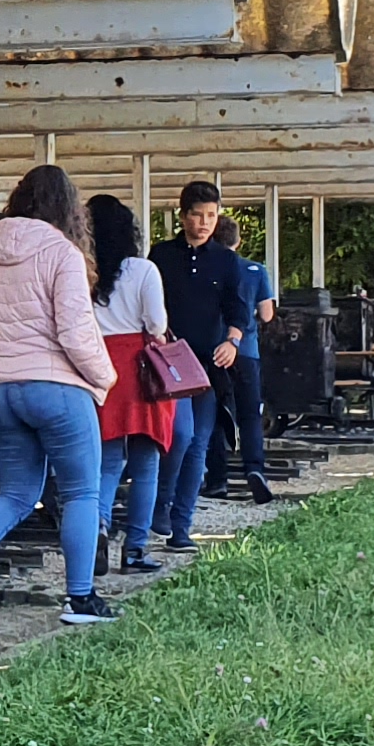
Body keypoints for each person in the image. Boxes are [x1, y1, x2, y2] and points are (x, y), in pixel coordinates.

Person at [0, 164, 116, 627]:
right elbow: (75, 333)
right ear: (68, 208)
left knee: (15, 493)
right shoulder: (62, 252)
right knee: (81, 492)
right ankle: (80, 599)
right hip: (59, 391)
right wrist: (105, 376)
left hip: (0, 392)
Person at [148, 183, 248, 550]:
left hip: (208, 367)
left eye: (211, 215)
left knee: (197, 443)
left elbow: (238, 310)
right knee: (176, 438)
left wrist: (232, 342)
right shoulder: (160, 256)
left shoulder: (226, 260)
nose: (204, 222)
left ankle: (181, 527)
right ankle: (160, 504)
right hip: (166, 365)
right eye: (197, 214)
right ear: (182, 215)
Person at [89, 194, 183, 571]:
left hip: (98, 367)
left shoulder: (82, 271)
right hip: (141, 368)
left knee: (107, 462)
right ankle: (135, 549)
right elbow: (157, 324)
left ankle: (97, 527)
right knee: (146, 463)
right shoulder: (144, 270)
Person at [215, 234, 278, 501]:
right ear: (238, 241)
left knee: (215, 414)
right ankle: (254, 468)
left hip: (213, 350)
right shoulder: (255, 270)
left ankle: (217, 479)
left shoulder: (209, 267)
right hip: (247, 350)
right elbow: (267, 314)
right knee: (250, 414)